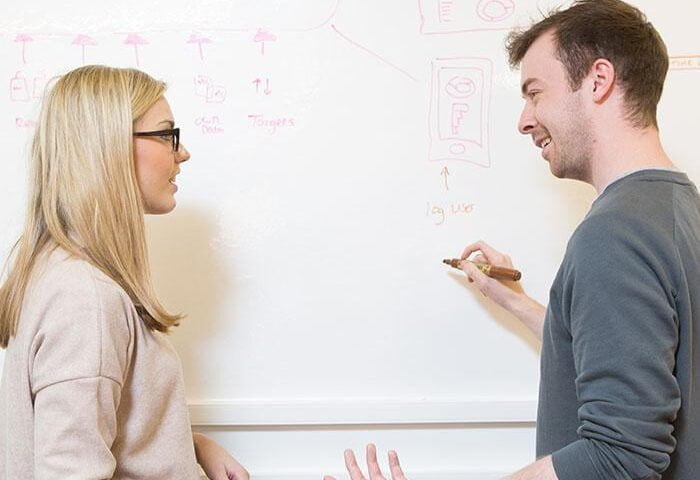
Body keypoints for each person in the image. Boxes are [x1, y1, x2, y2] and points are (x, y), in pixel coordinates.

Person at [327, 0, 700, 479]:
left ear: (598, 80)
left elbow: (619, 456)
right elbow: (635, 360)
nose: (524, 120)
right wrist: (517, 303)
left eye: (535, 93)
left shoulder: (613, 235)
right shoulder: (679, 209)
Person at [0, 65, 249, 480]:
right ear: (110, 146)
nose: (181, 152)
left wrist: (194, 447)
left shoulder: (64, 275)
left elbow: (96, 427)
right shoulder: (85, 299)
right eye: (168, 134)